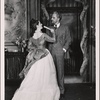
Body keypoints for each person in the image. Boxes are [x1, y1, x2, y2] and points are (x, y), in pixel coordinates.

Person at [11, 19, 60, 100]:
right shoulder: (43, 35)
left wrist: (36, 50)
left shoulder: (31, 38)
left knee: (34, 77)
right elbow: (54, 40)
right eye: (40, 23)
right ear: (37, 26)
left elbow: (29, 48)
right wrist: (53, 32)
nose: (42, 24)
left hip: (36, 57)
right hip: (45, 56)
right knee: (46, 77)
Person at [47, 11, 71, 99]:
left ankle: (61, 90)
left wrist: (64, 49)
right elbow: (46, 40)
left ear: (58, 18)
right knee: (51, 72)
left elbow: (69, 40)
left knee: (60, 72)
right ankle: (52, 90)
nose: (51, 19)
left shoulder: (65, 28)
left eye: (53, 17)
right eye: (51, 17)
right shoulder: (48, 28)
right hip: (50, 52)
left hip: (60, 52)